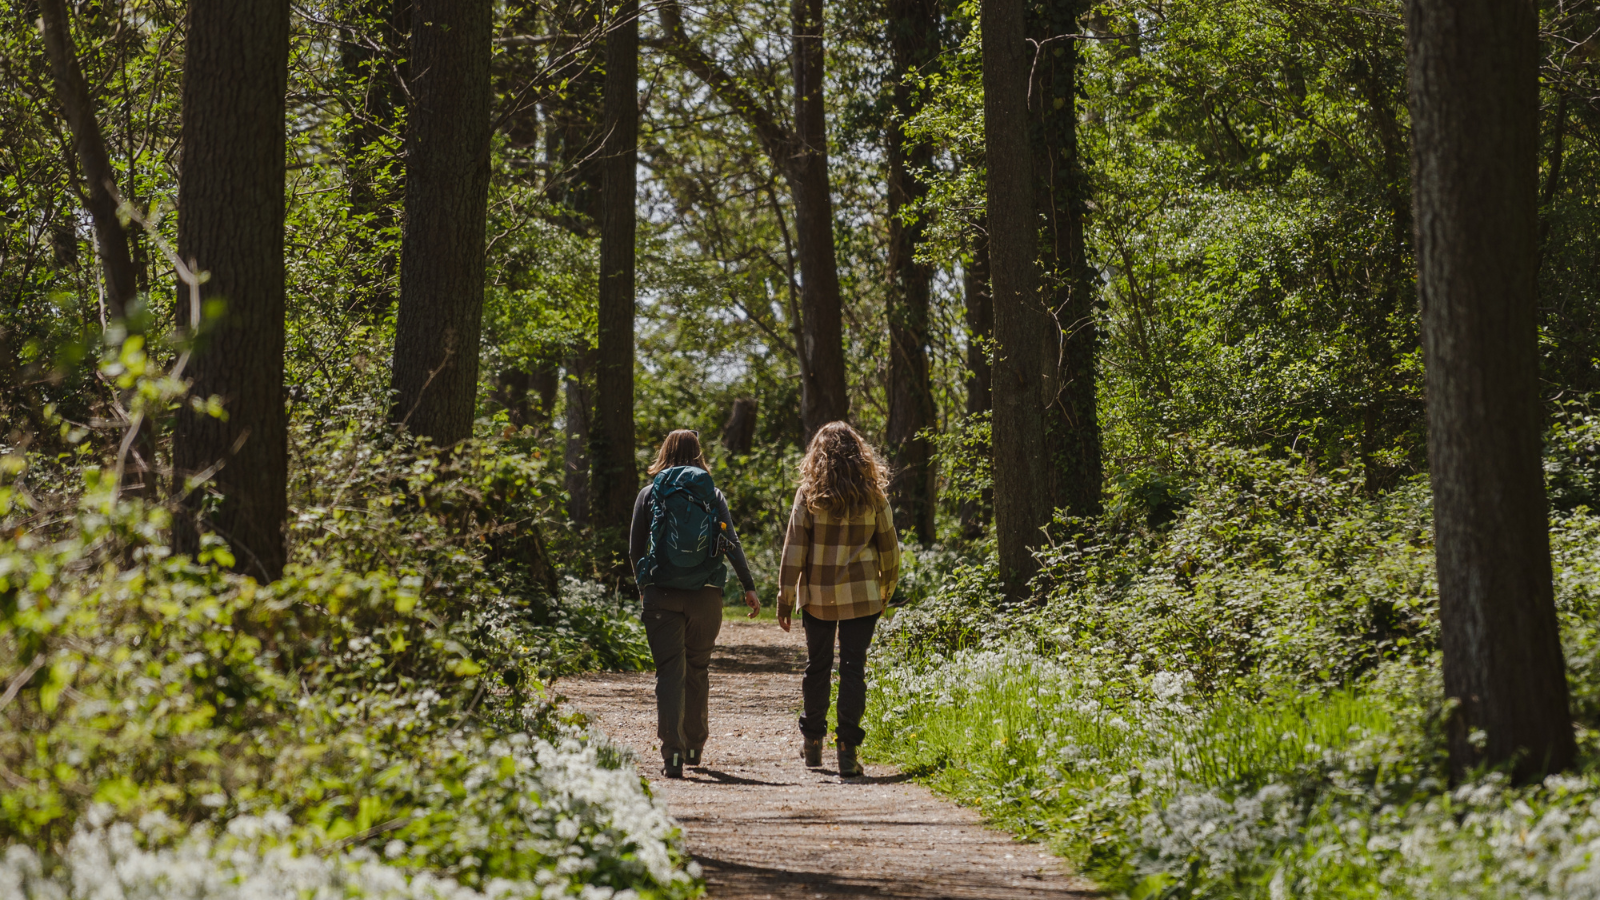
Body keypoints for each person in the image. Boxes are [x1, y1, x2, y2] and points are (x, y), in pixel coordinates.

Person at [631, 429, 760, 779]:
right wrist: (748, 586)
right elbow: (730, 541)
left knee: (669, 672)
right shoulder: (711, 494)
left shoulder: (649, 493)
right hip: (705, 595)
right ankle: (694, 746)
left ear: (664, 452)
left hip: (661, 594)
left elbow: (636, 548)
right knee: (697, 668)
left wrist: (644, 586)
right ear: (699, 453)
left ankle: (672, 755)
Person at [776, 421, 901, 778]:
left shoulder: (809, 495)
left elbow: (794, 550)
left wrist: (785, 600)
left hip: (818, 597)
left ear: (818, 456)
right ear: (859, 454)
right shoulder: (873, 495)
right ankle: (847, 750)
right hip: (862, 597)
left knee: (817, 667)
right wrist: (885, 591)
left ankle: (813, 744)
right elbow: (890, 550)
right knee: (852, 669)